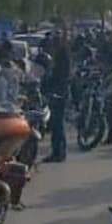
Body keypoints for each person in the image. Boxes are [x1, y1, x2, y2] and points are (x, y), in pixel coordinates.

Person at [42, 32, 71, 163]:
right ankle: (58, 152)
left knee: (57, 124)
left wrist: (52, 87)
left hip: (59, 93)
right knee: (56, 124)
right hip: (58, 92)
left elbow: (60, 76)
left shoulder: (62, 57)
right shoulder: (59, 56)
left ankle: (58, 153)